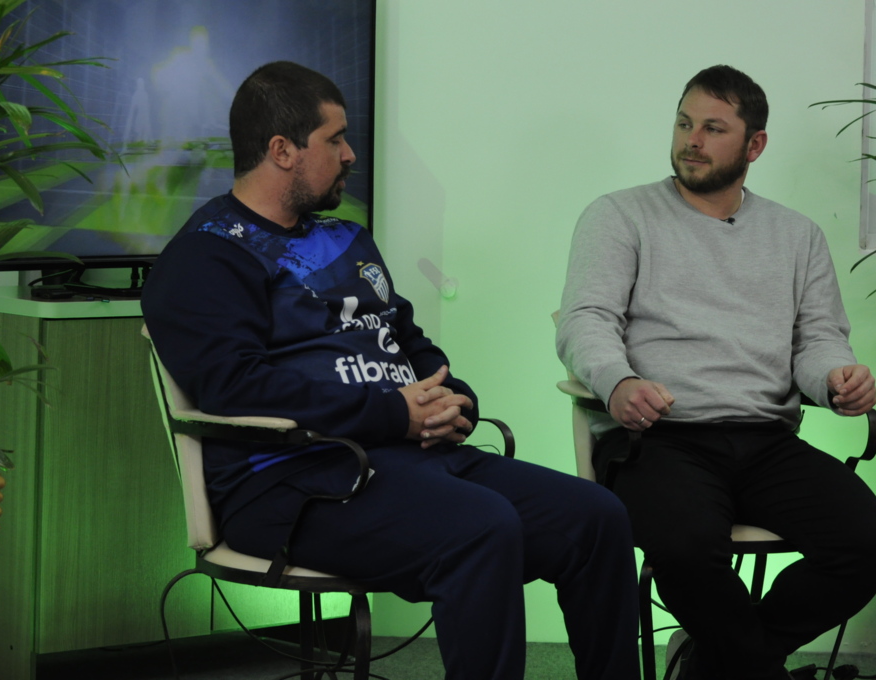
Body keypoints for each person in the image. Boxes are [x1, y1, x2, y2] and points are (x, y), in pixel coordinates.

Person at [141, 61, 641, 680]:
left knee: (597, 517)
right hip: (291, 480)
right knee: (481, 528)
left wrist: (453, 399)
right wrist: (393, 414)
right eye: (335, 139)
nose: (350, 155)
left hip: (407, 454)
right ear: (282, 150)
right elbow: (234, 386)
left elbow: (406, 338)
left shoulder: (348, 240)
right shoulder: (205, 255)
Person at [556, 65, 876, 680]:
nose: (692, 139)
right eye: (685, 123)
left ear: (754, 145)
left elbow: (819, 340)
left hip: (765, 441)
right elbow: (585, 320)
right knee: (687, 548)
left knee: (868, 546)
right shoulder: (620, 216)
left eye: (714, 128)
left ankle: (715, 664)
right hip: (658, 439)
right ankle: (755, 670)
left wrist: (836, 379)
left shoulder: (797, 235)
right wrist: (618, 381)